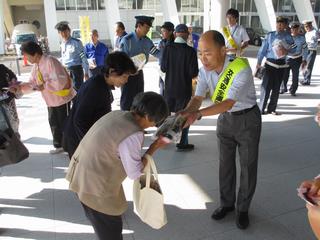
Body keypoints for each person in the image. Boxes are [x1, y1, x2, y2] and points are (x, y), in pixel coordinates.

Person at [181, 30, 261, 230]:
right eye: (200, 53)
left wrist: (197, 115)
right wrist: (186, 112)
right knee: (225, 165)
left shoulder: (240, 68)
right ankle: (226, 204)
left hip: (247, 120)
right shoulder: (204, 71)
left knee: (247, 167)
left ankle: (242, 209)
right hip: (225, 121)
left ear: (223, 50)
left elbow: (227, 103)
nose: (203, 58)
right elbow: (198, 98)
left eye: (207, 52)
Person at [65, 91, 169, 240]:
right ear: (147, 117)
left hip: (80, 175)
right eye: (155, 122)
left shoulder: (117, 114)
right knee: (110, 232)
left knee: (102, 226)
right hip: (95, 187)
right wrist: (154, 147)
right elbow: (135, 173)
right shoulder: (133, 134)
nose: (154, 125)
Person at [63, 52, 137, 158]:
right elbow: (79, 121)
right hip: (79, 143)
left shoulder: (102, 83)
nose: (126, 80)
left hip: (88, 139)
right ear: (112, 72)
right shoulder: (95, 87)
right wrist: (92, 148)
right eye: (124, 76)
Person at [9, 41, 76, 154]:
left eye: (26, 55)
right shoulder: (36, 65)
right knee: (53, 122)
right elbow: (32, 83)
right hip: (50, 100)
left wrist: (44, 85)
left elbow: (60, 80)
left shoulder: (50, 61)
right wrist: (19, 88)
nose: (26, 58)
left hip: (61, 99)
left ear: (34, 54)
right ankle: (59, 145)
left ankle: (70, 146)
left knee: (64, 122)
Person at [161, 24, 198, 151]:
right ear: (187, 35)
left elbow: (163, 68)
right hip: (184, 90)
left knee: (168, 115)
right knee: (184, 115)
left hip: (169, 88)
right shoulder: (190, 51)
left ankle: (164, 140)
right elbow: (194, 73)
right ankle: (183, 142)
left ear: (175, 34)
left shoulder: (167, 48)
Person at [256, 16, 296, 115]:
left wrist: (287, 50)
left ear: (285, 25)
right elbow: (262, 50)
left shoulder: (288, 36)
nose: (279, 26)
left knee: (276, 88)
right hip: (270, 64)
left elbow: (294, 49)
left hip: (281, 65)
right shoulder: (270, 35)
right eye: (278, 23)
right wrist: (258, 63)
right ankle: (261, 108)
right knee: (266, 87)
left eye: (282, 24)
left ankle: (272, 109)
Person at [119, 15, 160, 110]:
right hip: (127, 76)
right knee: (126, 102)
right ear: (139, 26)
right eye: (146, 27)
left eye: (149, 28)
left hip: (139, 73)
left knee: (139, 100)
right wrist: (128, 71)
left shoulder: (147, 41)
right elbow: (121, 60)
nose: (148, 30)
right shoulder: (127, 40)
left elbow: (157, 53)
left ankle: (136, 121)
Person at [55, 21, 89, 91]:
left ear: (69, 31)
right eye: (61, 32)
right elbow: (63, 57)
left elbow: (83, 57)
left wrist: (86, 72)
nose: (64, 34)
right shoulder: (62, 44)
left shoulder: (77, 43)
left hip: (76, 71)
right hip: (66, 71)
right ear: (59, 33)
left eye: (65, 31)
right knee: (68, 92)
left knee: (77, 92)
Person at [280, 22, 308, 96]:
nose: (294, 31)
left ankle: (293, 90)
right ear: (290, 29)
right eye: (292, 29)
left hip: (297, 59)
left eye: (296, 29)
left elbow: (305, 49)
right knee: (284, 75)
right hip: (287, 59)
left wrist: (304, 59)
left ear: (298, 29)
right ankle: (283, 88)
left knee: (295, 76)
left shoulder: (302, 38)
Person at [0, 64, 20, 134]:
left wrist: (13, 83)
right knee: (3, 123)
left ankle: (16, 136)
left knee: (14, 119)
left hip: (9, 98)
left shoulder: (1, 67)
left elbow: (12, 75)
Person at [158, 21, 175, 96]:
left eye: (164, 31)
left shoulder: (175, 44)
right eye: (161, 31)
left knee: (169, 92)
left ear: (171, 32)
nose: (162, 33)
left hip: (172, 71)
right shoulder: (161, 42)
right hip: (162, 70)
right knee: (162, 90)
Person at [301, 20, 319, 85]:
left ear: (310, 26)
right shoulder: (306, 33)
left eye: (307, 26)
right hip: (305, 50)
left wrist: (315, 42)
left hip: (312, 50)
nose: (306, 28)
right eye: (305, 27)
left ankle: (307, 80)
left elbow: (318, 39)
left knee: (309, 66)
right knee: (303, 65)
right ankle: (305, 78)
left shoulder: (315, 32)